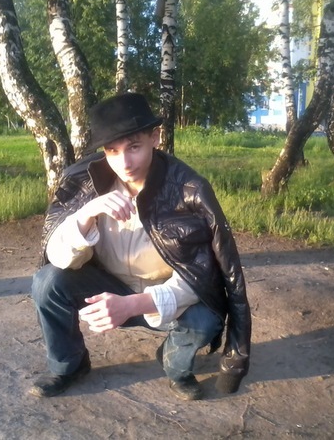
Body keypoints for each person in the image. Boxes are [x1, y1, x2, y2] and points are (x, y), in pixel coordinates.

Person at [29, 93, 251, 401]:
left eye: (134, 147)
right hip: (109, 285)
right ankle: (70, 365)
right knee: (47, 281)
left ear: (155, 138)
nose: (124, 163)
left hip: (168, 295)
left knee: (206, 320)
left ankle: (175, 366)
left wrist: (133, 305)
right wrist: (85, 216)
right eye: (112, 150)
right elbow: (57, 258)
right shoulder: (84, 180)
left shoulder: (188, 189)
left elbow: (202, 277)